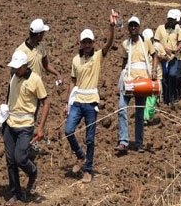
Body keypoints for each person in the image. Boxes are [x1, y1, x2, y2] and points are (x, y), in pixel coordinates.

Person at [64, 15, 115, 183]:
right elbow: (72, 81)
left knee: (90, 138)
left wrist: (111, 28)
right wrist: (67, 103)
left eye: (89, 42)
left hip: (92, 101)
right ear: (81, 43)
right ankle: (80, 155)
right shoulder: (75, 60)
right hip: (78, 101)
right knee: (68, 130)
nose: (87, 45)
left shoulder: (98, 56)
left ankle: (89, 169)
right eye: (84, 42)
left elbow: (108, 44)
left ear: (93, 43)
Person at [1, 51, 49, 206]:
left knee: (20, 158)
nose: (15, 70)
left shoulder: (35, 80)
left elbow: (46, 102)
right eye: (14, 68)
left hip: (25, 126)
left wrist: (40, 128)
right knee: (10, 160)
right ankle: (16, 193)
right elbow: (10, 98)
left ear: (25, 66)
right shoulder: (14, 77)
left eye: (18, 68)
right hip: (10, 123)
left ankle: (32, 171)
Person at [116, 16, 157, 154]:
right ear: (128, 28)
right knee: (122, 107)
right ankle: (123, 141)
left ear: (139, 28)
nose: (133, 28)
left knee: (139, 113)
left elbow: (154, 56)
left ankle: (139, 143)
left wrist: (154, 71)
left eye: (135, 26)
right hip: (129, 82)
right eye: (131, 26)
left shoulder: (146, 42)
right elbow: (124, 62)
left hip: (143, 82)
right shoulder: (125, 44)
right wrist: (122, 78)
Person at [15, 18, 63, 85]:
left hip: (37, 86)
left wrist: (57, 74)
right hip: (26, 87)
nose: (44, 35)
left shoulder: (40, 46)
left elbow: (45, 65)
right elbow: (15, 73)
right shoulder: (20, 51)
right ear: (39, 35)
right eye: (43, 33)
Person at [154, 9, 181, 106]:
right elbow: (156, 41)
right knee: (164, 78)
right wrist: (164, 48)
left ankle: (172, 95)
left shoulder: (178, 30)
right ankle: (165, 99)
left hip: (173, 58)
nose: (171, 22)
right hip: (163, 58)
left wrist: (177, 49)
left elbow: (180, 43)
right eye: (169, 19)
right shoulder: (160, 28)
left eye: (173, 20)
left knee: (172, 75)